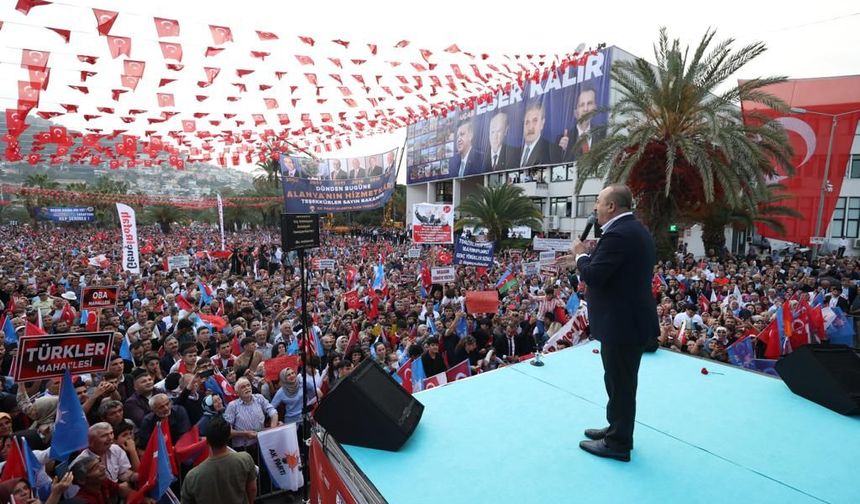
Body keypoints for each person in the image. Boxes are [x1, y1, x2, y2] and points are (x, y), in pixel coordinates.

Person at [558, 184, 658, 462]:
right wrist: (581, 260)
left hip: (622, 323)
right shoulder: (632, 230)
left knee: (621, 384)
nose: (595, 207)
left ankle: (618, 443)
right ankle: (616, 429)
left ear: (612, 206)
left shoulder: (618, 235)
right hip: (626, 321)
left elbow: (596, 276)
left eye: (599, 202)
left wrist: (580, 254)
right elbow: (610, 271)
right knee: (617, 382)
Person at [181, 416, 257, 504]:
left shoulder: (193, 476)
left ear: (207, 440)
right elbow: (252, 489)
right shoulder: (245, 459)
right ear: (228, 437)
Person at [552, 85, 606, 163]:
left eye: (590, 103)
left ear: (595, 107)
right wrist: (563, 151)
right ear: (575, 111)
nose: (586, 109)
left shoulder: (603, 135)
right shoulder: (562, 140)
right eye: (581, 105)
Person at [519, 101, 551, 167]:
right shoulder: (515, 152)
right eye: (527, 122)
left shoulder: (549, 150)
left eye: (535, 121)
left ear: (542, 123)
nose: (530, 127)